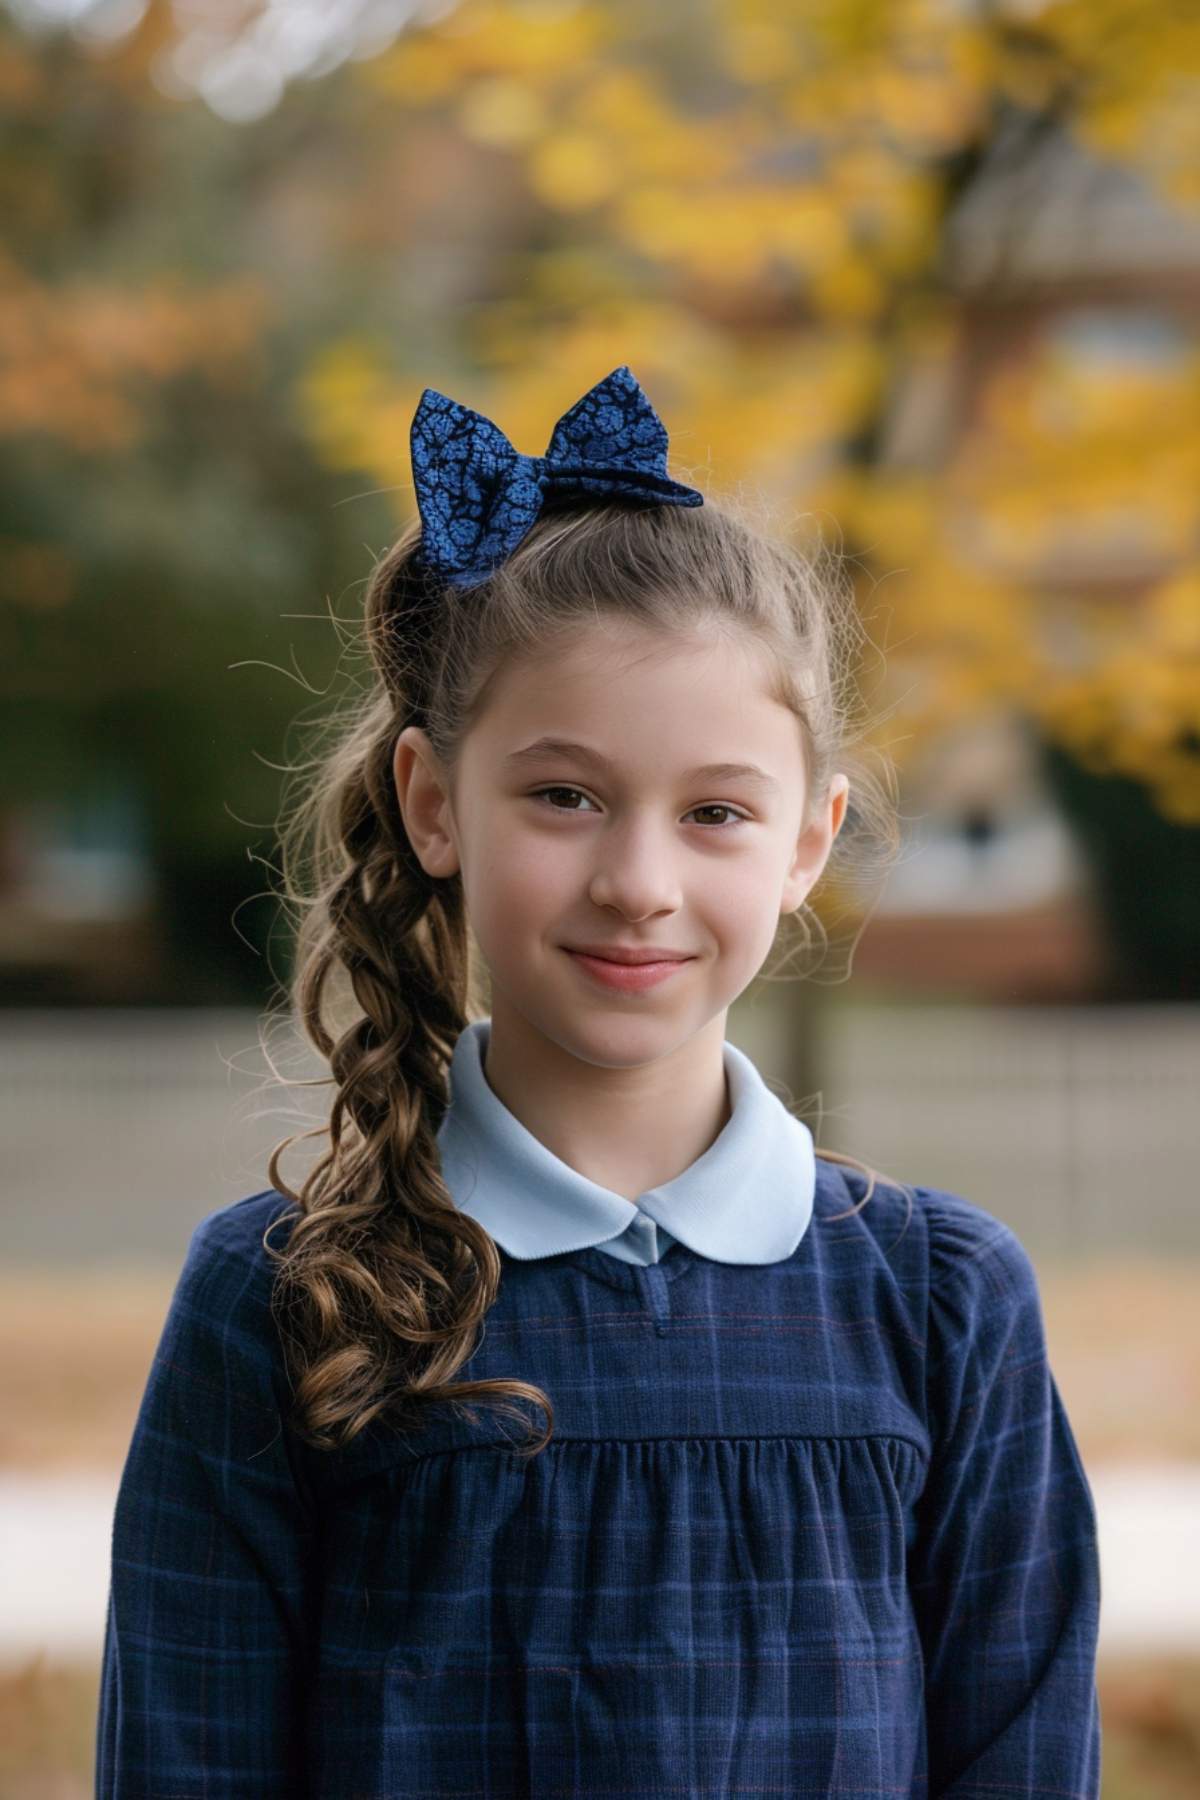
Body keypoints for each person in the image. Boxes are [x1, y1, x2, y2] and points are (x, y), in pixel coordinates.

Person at [95, 365, 1102, 1796]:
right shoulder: (279, 1301)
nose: (639, 882)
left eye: (715, 812)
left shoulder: (942, 1305)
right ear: (436, 804)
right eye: (565, 795)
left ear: (807, 843)